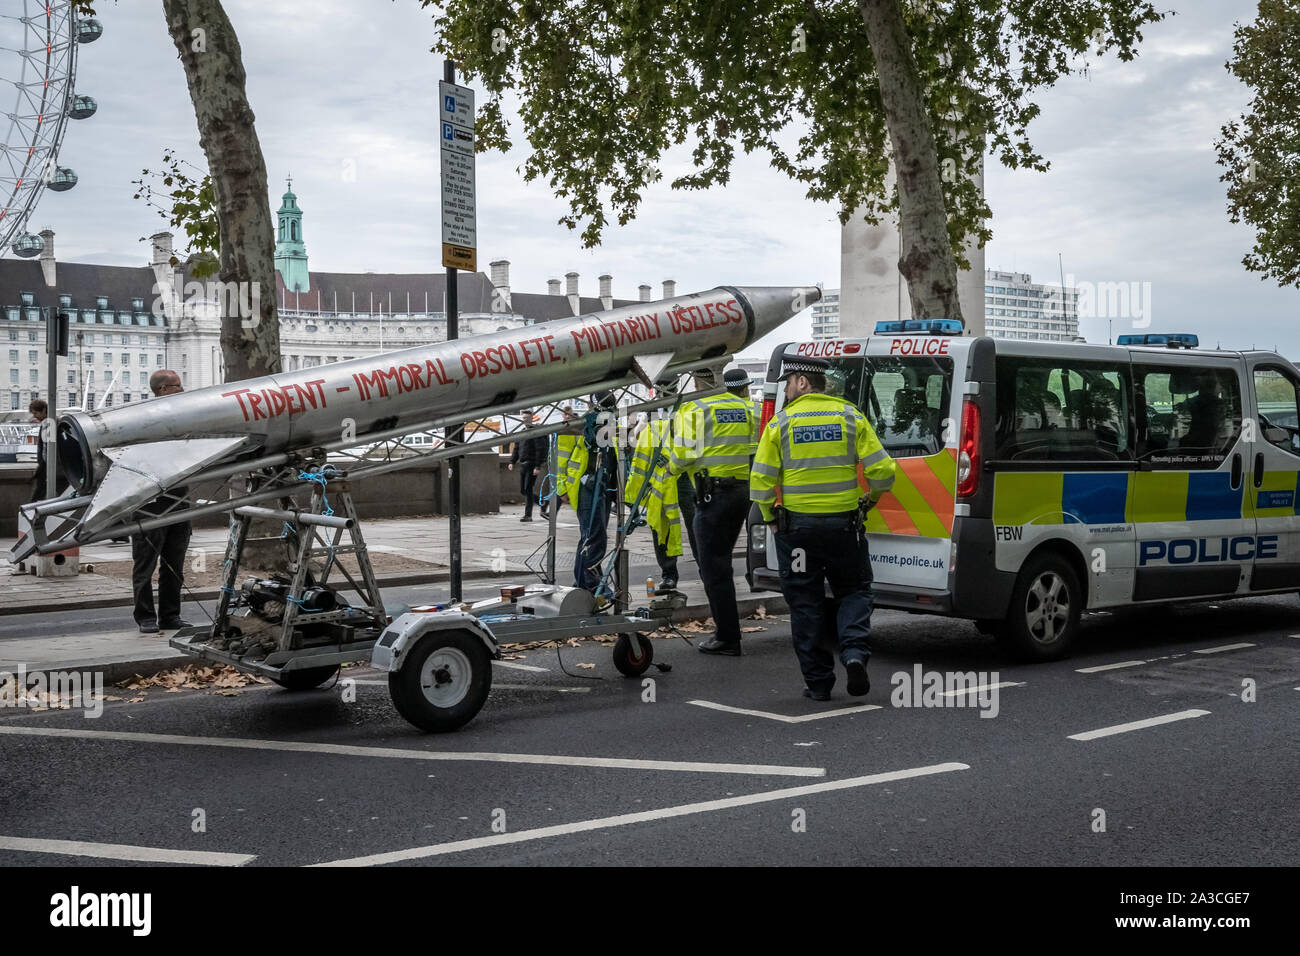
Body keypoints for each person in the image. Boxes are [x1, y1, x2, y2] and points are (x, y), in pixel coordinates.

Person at [750, 356, 896, 699]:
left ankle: (818, 684)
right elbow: (883, 472)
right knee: (854, 590)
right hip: (844, 529)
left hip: (798, 534)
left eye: (788, 382)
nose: (786, 390)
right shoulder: (851, 416)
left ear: (802, 382)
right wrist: (871, 500)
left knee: (805, 601)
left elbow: (760, 482)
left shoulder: (780, 424)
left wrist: (770, 518)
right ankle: (855, 653)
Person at [668, 366, 758, 655]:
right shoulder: (748, 408)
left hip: (713, 495)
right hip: (744, 490)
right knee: (725, 561)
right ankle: (728, 632)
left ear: (696, 382)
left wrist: (668, 468)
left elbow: (684, 455)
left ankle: (727, 637)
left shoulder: (695, 408)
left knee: (714, 567)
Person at [131, 370, 193, 634]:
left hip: (178, 498)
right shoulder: (142, 418)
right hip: (149, 502)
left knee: (174, 564)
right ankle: (145, 616)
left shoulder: (183, 416)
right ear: (163, 389)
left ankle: (170, 615)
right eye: (177, 386)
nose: (182, 389)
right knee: (145, 563)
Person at [563, 391, 619, 599]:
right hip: (589, 487)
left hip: (599, 486)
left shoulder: (605, 423)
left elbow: (615, 456)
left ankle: (582, 582)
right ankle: (591, 585)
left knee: (591, 536)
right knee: (594, 538)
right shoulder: (589, 424)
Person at [625, 411, 682, 590]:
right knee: (664, 530)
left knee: (662, 530)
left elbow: (638, 466)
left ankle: (670, 574)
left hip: (676, 483)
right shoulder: (652, 428)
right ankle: (672, 574)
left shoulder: (651, 428)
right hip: (669, 484)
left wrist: (631, 497)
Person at [509, 411, 547, 522]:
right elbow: (517, 448)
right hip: (523, 464)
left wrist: (538, 466)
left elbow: (539, 449)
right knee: (523, 490)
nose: (524, 420)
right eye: (523, 418)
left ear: (531, 418)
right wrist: (512, 461)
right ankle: (543, 502)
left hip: (532, 464)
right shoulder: (522, 432)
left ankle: (528, 515)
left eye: (526, 418)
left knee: (528, 489)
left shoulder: (535, 432)